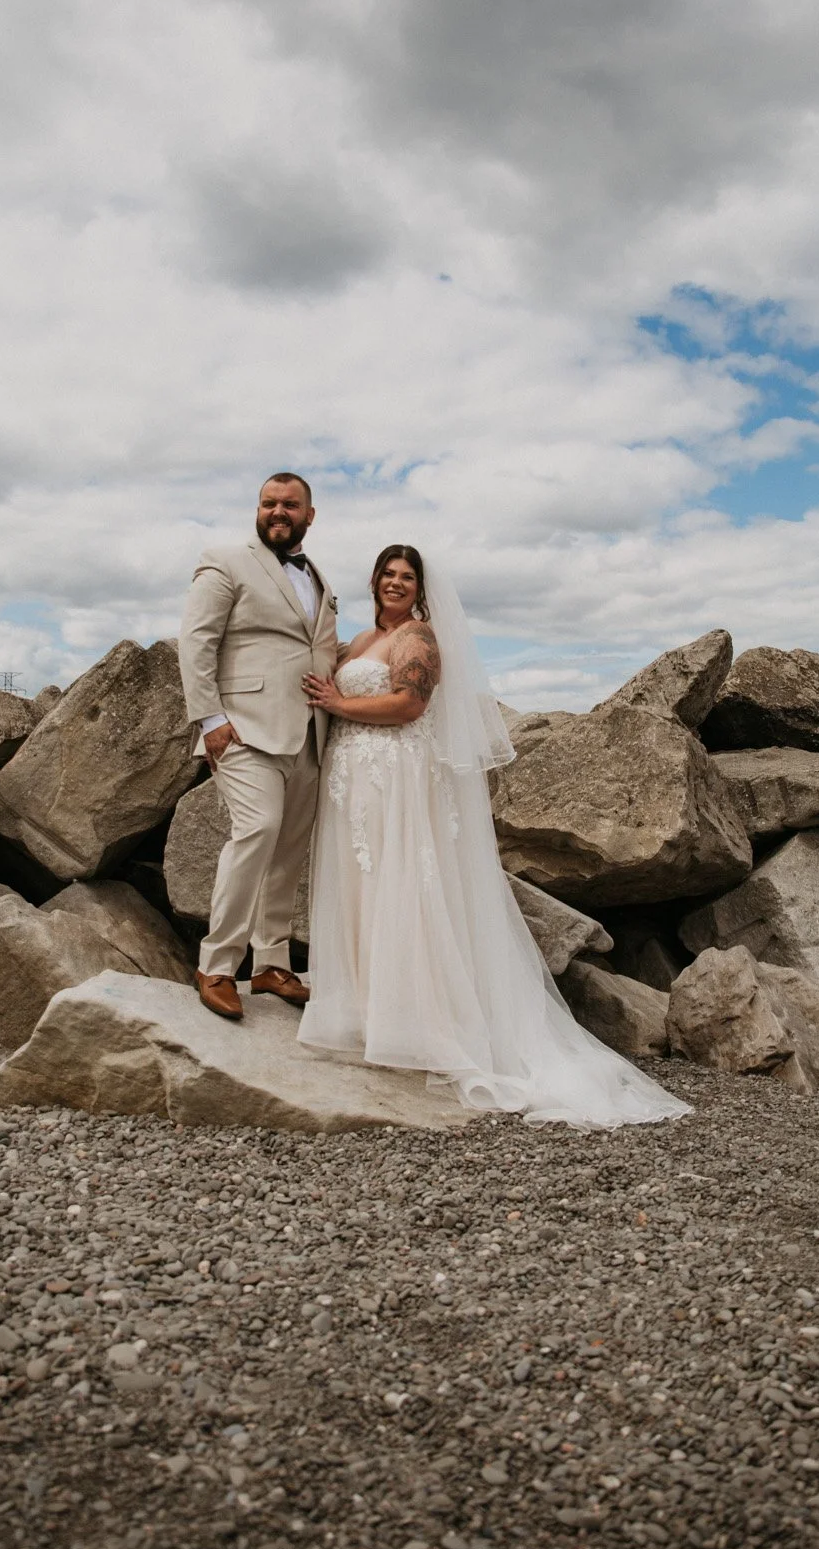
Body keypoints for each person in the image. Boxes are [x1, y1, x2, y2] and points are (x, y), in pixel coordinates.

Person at [298, 545, 690, 1129]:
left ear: (420, 587)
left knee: (402, 886)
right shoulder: (357, 642)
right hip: (354, 779)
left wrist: (339, 702)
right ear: (374, 580)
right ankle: (370, 1008)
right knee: (363, 887)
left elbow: (409, 704)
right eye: (388, 574)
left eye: (407, 577)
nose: (396, 583)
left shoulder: (419, 638)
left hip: (397, 780)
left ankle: (421, 1022)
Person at [178, 473, 339, 1020]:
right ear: (257, 509)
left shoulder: (317, 575)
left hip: (311, 734)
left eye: (290, 505)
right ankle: (216, 964)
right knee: (257, 829)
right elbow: (197, 641)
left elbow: (319, 645)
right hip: (242, 727)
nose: (278, 512)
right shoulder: (225, 560)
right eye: (269, 503)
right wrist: (210, 719)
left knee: (290, 852)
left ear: (309, 515)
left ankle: (272, 964)